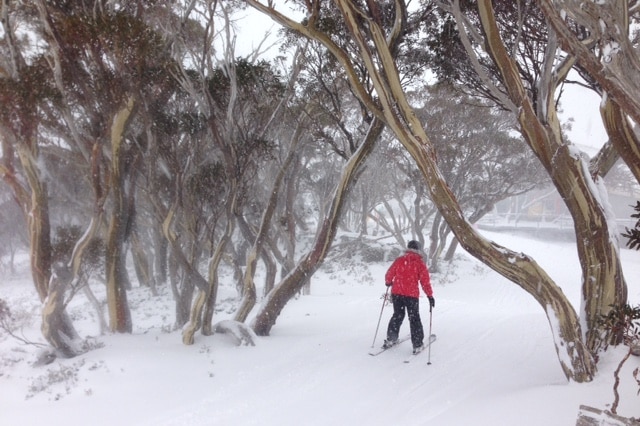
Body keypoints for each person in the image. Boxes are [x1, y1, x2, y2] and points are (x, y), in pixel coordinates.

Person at [382, 240, 434, 354]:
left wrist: (388, 282)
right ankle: (417, 344)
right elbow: (425, 282)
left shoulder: (400, 260)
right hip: (411, 295)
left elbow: (389, 273)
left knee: (397, 315)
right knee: (414, 318)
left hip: (397, 294)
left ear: (408, 248)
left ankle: (391, 339)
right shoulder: (419, 263)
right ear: (418, 249)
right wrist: (430, 296)